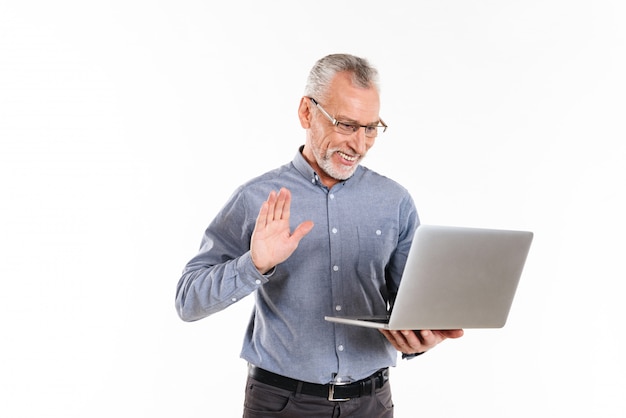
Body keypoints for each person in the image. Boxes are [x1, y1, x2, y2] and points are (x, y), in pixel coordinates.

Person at [175, 53, 464, 418]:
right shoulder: (257, 198)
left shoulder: (395, 202)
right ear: (307, 113)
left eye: (371, 128)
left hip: (372, 404)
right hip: (281, 404)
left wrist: (421, 339)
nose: (359, 144)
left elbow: (411, 305)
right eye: (345, 124)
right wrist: (256, 264)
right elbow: (188, 300)